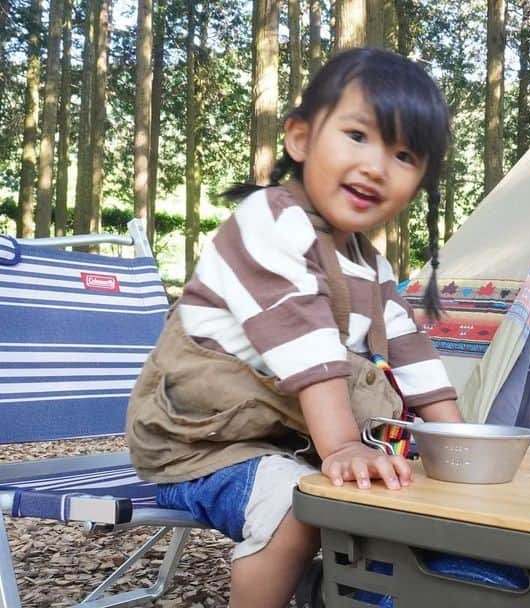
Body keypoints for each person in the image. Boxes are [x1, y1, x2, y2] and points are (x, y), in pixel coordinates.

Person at [126, 47, 462, 607]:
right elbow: (303, 339)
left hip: (289, 441)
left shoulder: (369, 262)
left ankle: (338, 591)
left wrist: (457, 444)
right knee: (296, 507)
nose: (376, 166)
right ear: (300, 139)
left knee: (403, 496)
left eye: (404, 154)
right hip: (201, 445)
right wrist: (343, 447)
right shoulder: (268, 220)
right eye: (358, 135)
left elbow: (409, 348)